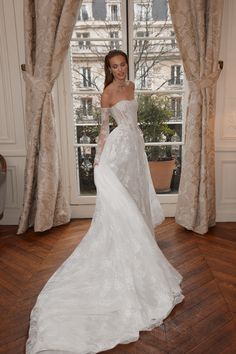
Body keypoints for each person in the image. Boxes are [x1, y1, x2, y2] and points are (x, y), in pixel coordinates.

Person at [26, 50, 184, 354]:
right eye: (115, 66)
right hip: (119, 150)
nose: (120, 70)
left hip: (135, 148)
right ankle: (123, 251)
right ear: (108, 69)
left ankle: (142, 250)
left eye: (123, 64)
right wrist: (99, 161)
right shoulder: (108, 93)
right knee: (121, 204)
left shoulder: (133, 86)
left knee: (136, 200)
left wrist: (138, 146)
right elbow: (102, 130)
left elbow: (134, 120)